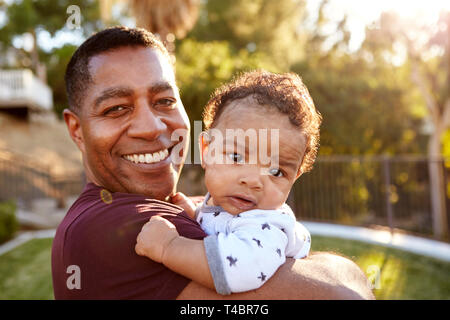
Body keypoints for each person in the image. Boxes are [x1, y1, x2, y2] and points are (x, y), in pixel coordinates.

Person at [52, 26, 374, 300]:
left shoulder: (199, 207)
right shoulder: (123, 229)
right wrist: (345, 271)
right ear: (77, 129)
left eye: (164, 101)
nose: (151, 127)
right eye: (116, 108)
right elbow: (343, 295)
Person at [134, 71, 318, 295]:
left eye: (276, 171)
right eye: (237, 157)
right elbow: (223, 226)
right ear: (206, 151)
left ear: (294, 178)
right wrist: (195, 215)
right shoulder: (223, 204)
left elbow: (236, 270)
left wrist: (169, 246)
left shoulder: (267, 225)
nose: (252, 181)